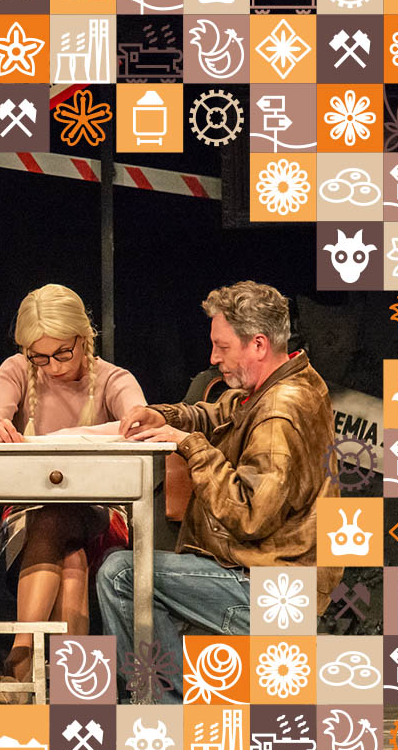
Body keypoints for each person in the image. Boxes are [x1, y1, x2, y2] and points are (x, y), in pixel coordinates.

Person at [97, 280, 339, 703]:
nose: (213, 358)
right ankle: (171, 708)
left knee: (121, 574)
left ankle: (166, 716)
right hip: (268, 576)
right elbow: (217, 413)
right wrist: (162, 416)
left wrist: (191, 447)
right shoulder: (286, 381)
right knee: (131, 573)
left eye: (222, 347)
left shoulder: (280, 412)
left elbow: (249, 516)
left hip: (273, 591)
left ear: (258, 344)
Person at [0, 284, 147, 709]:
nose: (53, 366)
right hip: (25, 522)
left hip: (102, 518)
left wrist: (66, 436)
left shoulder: (114, 379)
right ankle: (77, 699)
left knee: (58, 519)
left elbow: (140, 422)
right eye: (40, 357)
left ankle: (18, 663)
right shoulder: (16, 370)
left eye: (63, 353)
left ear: (83, 338)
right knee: (69, 555)